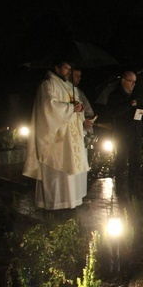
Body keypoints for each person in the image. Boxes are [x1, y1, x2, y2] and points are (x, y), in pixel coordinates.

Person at [23, 59, 89, 210]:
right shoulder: (48, 84)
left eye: (70, 69)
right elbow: (48, 108)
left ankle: (71, 201)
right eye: (66, 68)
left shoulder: (69, 86)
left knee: (71, 171)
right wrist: (71, 108)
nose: (68, 72)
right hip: (57, 138)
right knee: (58, 170)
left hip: (71, 137)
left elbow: (77, 107)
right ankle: (55, 205)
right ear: (57, 68)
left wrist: (79, 107)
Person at [107, 71, 143, 195]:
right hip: (123, 134)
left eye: (135, 82)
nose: (133, 84)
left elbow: (140, 109)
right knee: (121, 162)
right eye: (131, 81)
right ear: (124, 81)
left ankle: (134, 189)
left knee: (135, 161)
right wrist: (130, 104)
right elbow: (114, 113)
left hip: (135, 133)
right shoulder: (115, 96)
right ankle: (120, 190)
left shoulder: (135, 95)